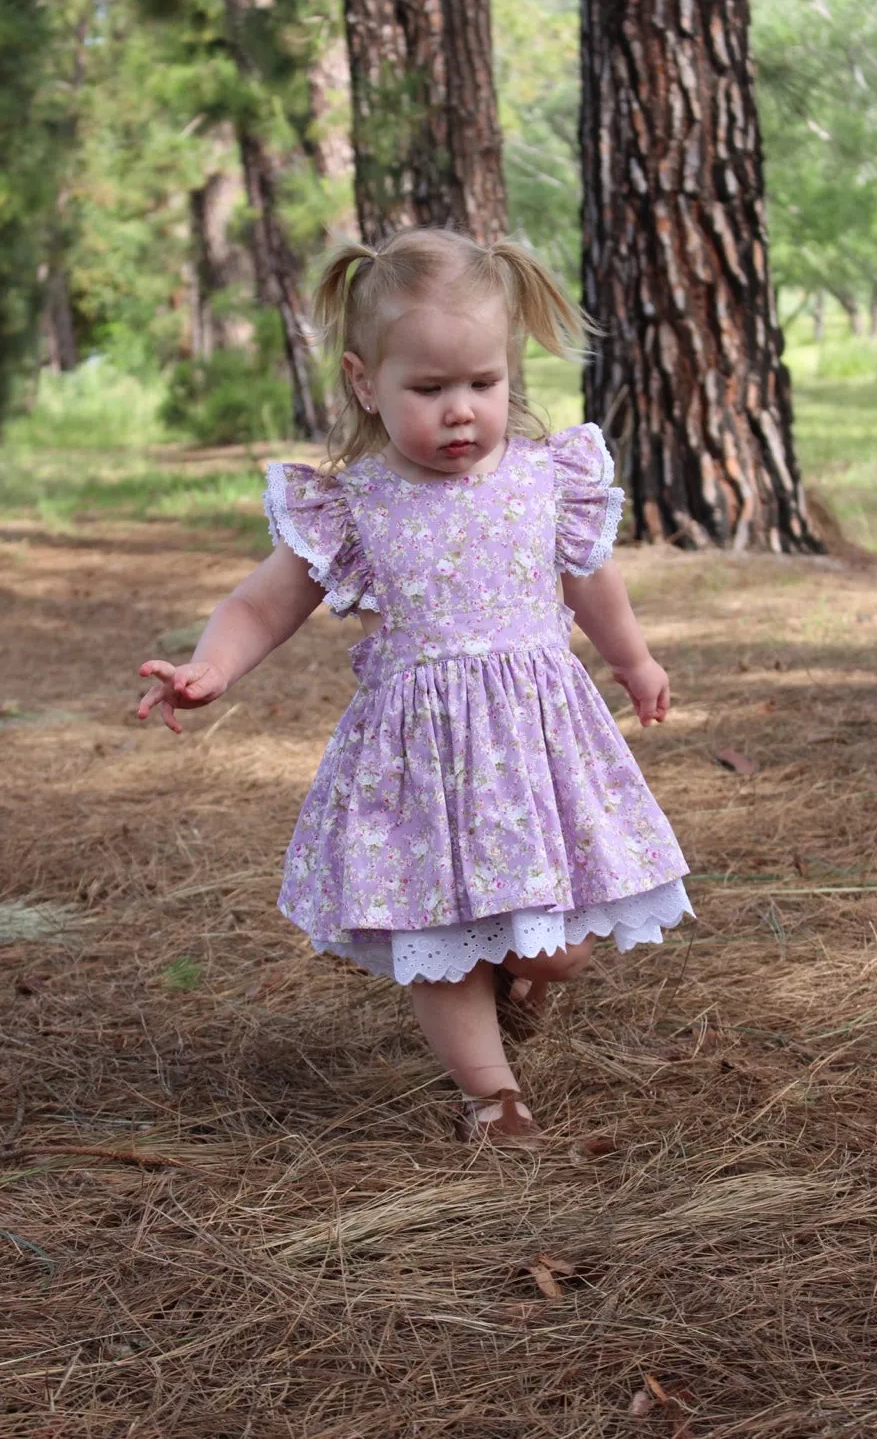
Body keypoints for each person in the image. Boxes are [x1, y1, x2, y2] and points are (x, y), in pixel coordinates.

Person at [137, 226, 693, 1145]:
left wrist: (633, 660)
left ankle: (521, 976)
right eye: (429, 390)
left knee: (563, 952)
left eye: (484, 384)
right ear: (366, 383)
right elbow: (262, 604)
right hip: (418, 763)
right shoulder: (353, 503)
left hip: (536, 748)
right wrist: (212, 667)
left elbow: (590, 580)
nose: (462, 412)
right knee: (438, 940)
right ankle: (492, 1095)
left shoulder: (544, 478)